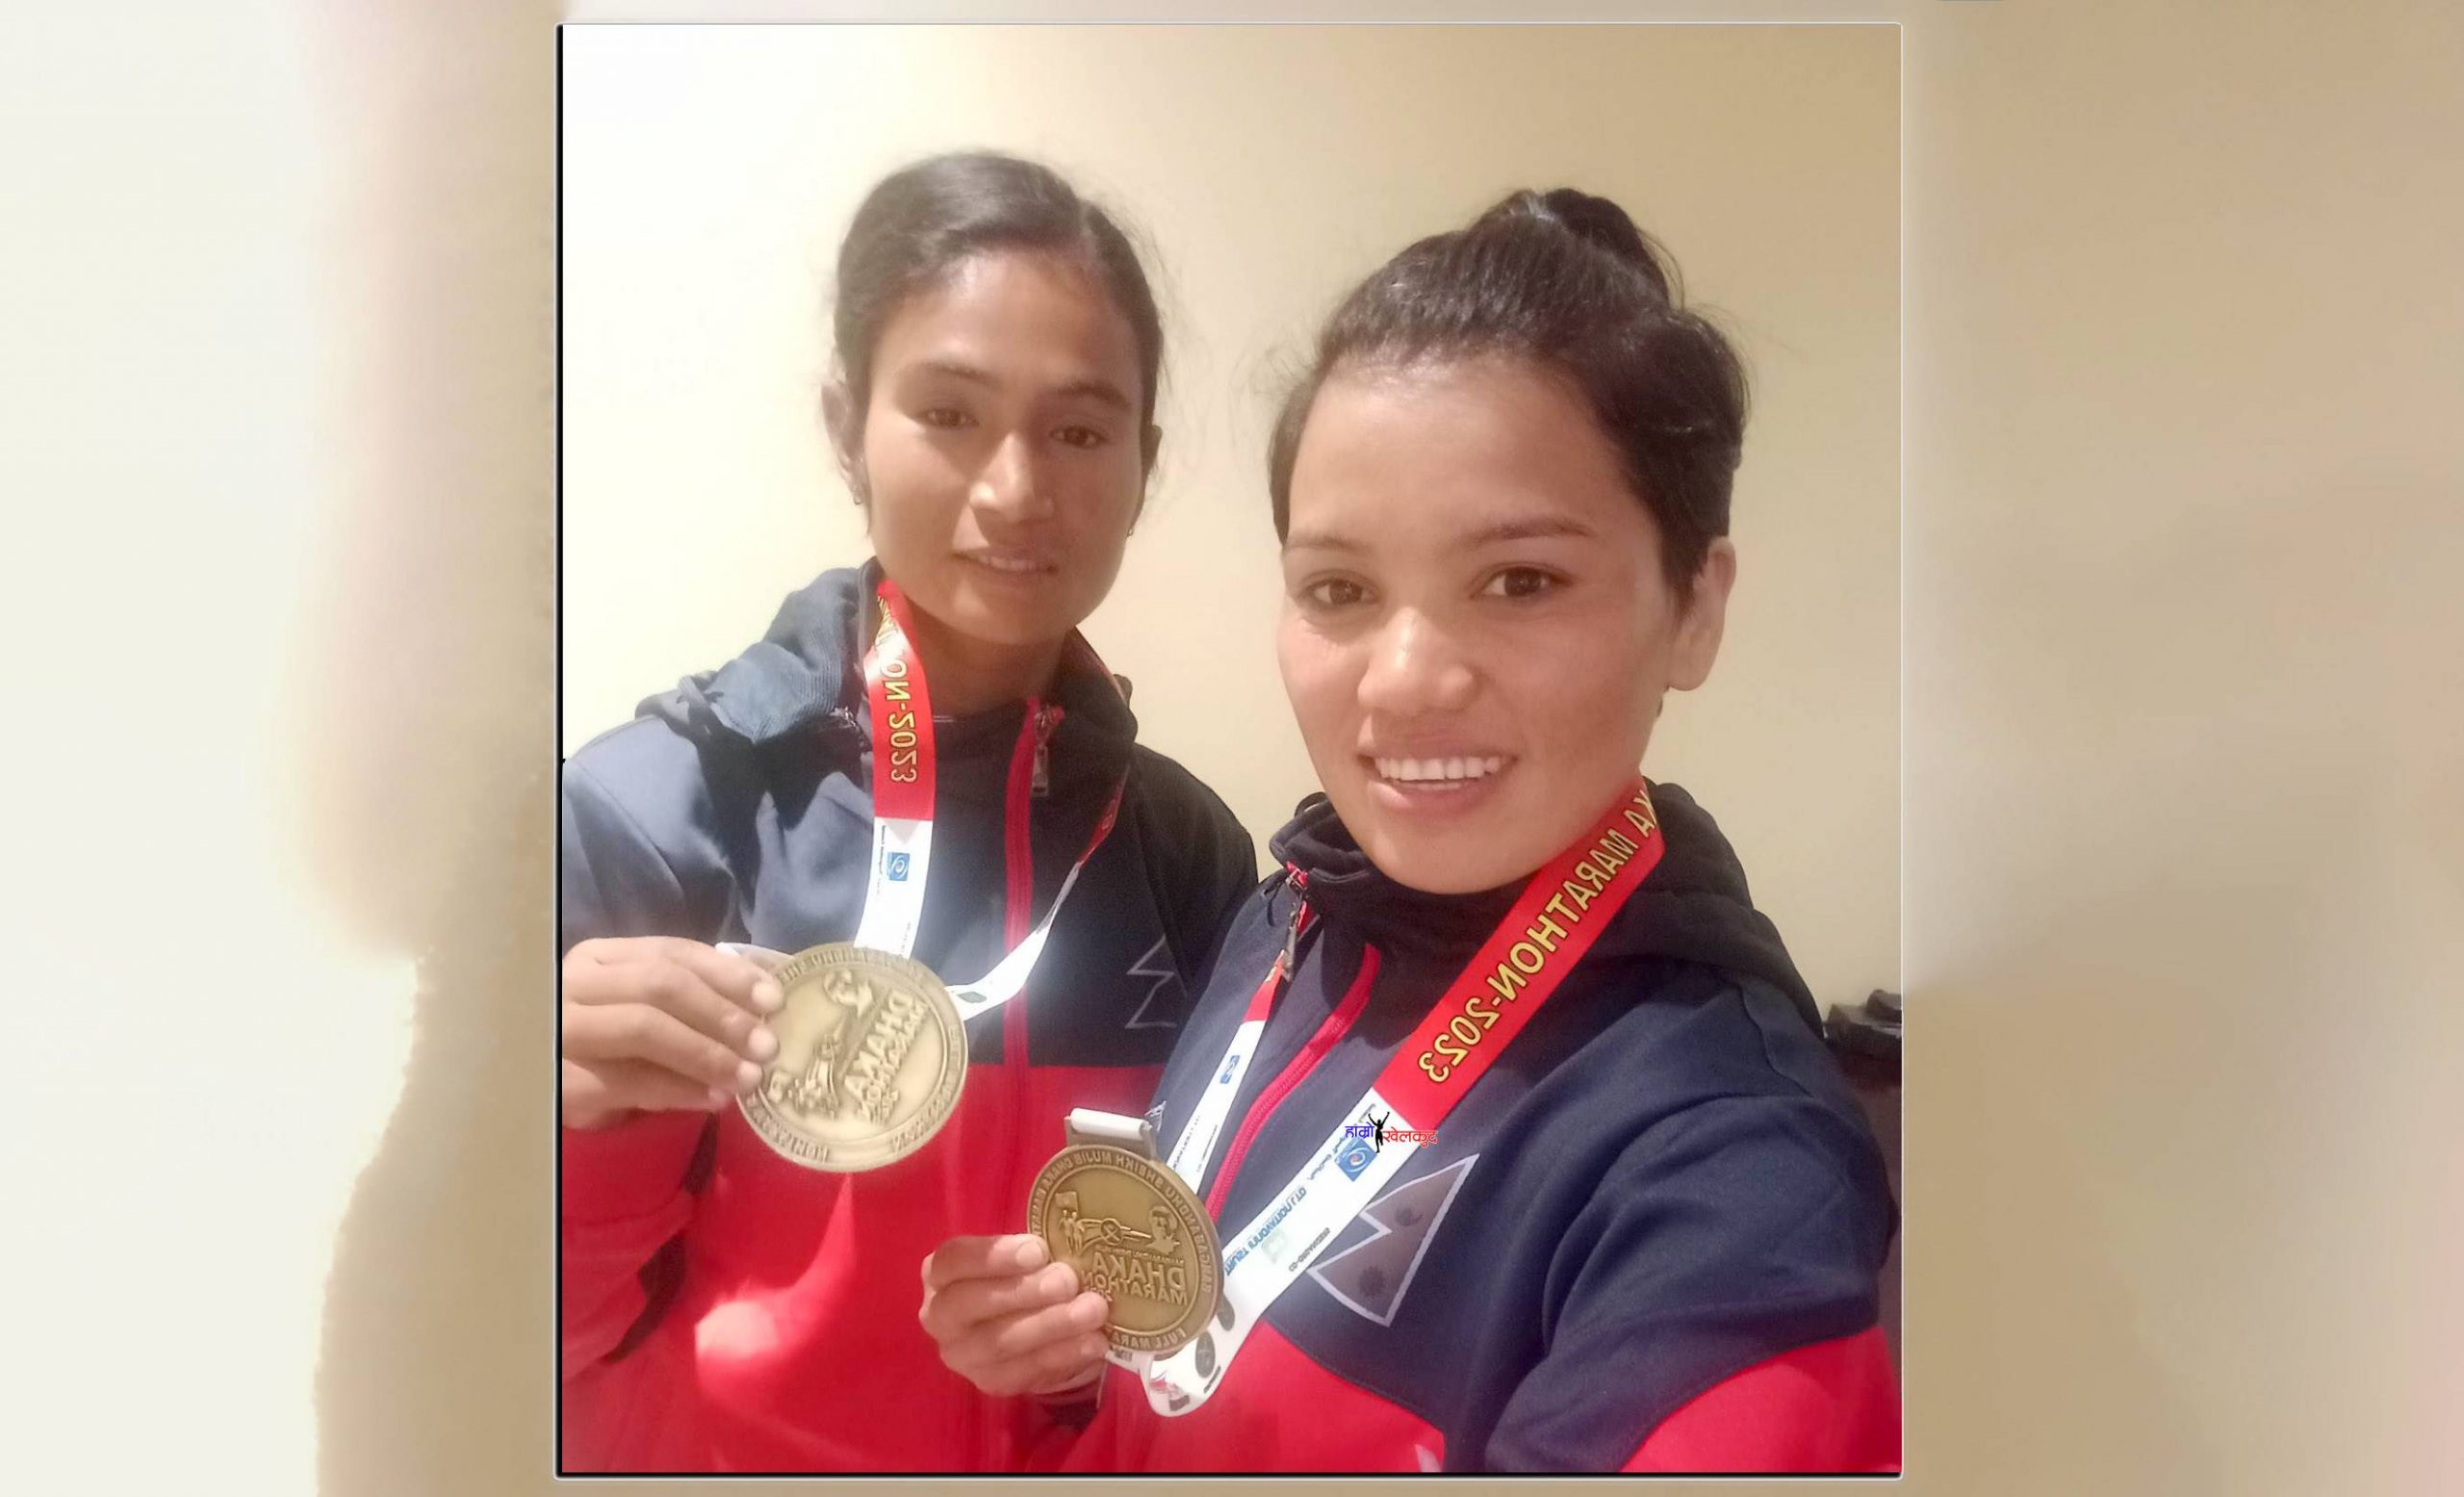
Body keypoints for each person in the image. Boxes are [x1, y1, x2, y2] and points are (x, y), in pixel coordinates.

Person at [918, 188, 1901, 1472]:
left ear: (1694, 608)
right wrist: (1070, 1371)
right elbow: (1201, 1358)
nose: (1402, 682)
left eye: (1520, 581)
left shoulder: (1731, 1188)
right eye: (1339, 587)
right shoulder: (1285, 918)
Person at [558, 151, 1257, 1472]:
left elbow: (1187, 1310)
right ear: (848, 429)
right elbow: (509, 1356)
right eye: (948, 413)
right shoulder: (651, 814)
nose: (1015, 491)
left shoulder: (1187, 854)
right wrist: (574, 1135)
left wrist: (1086, 1362)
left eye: (1080, 431)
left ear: (1144, 462)